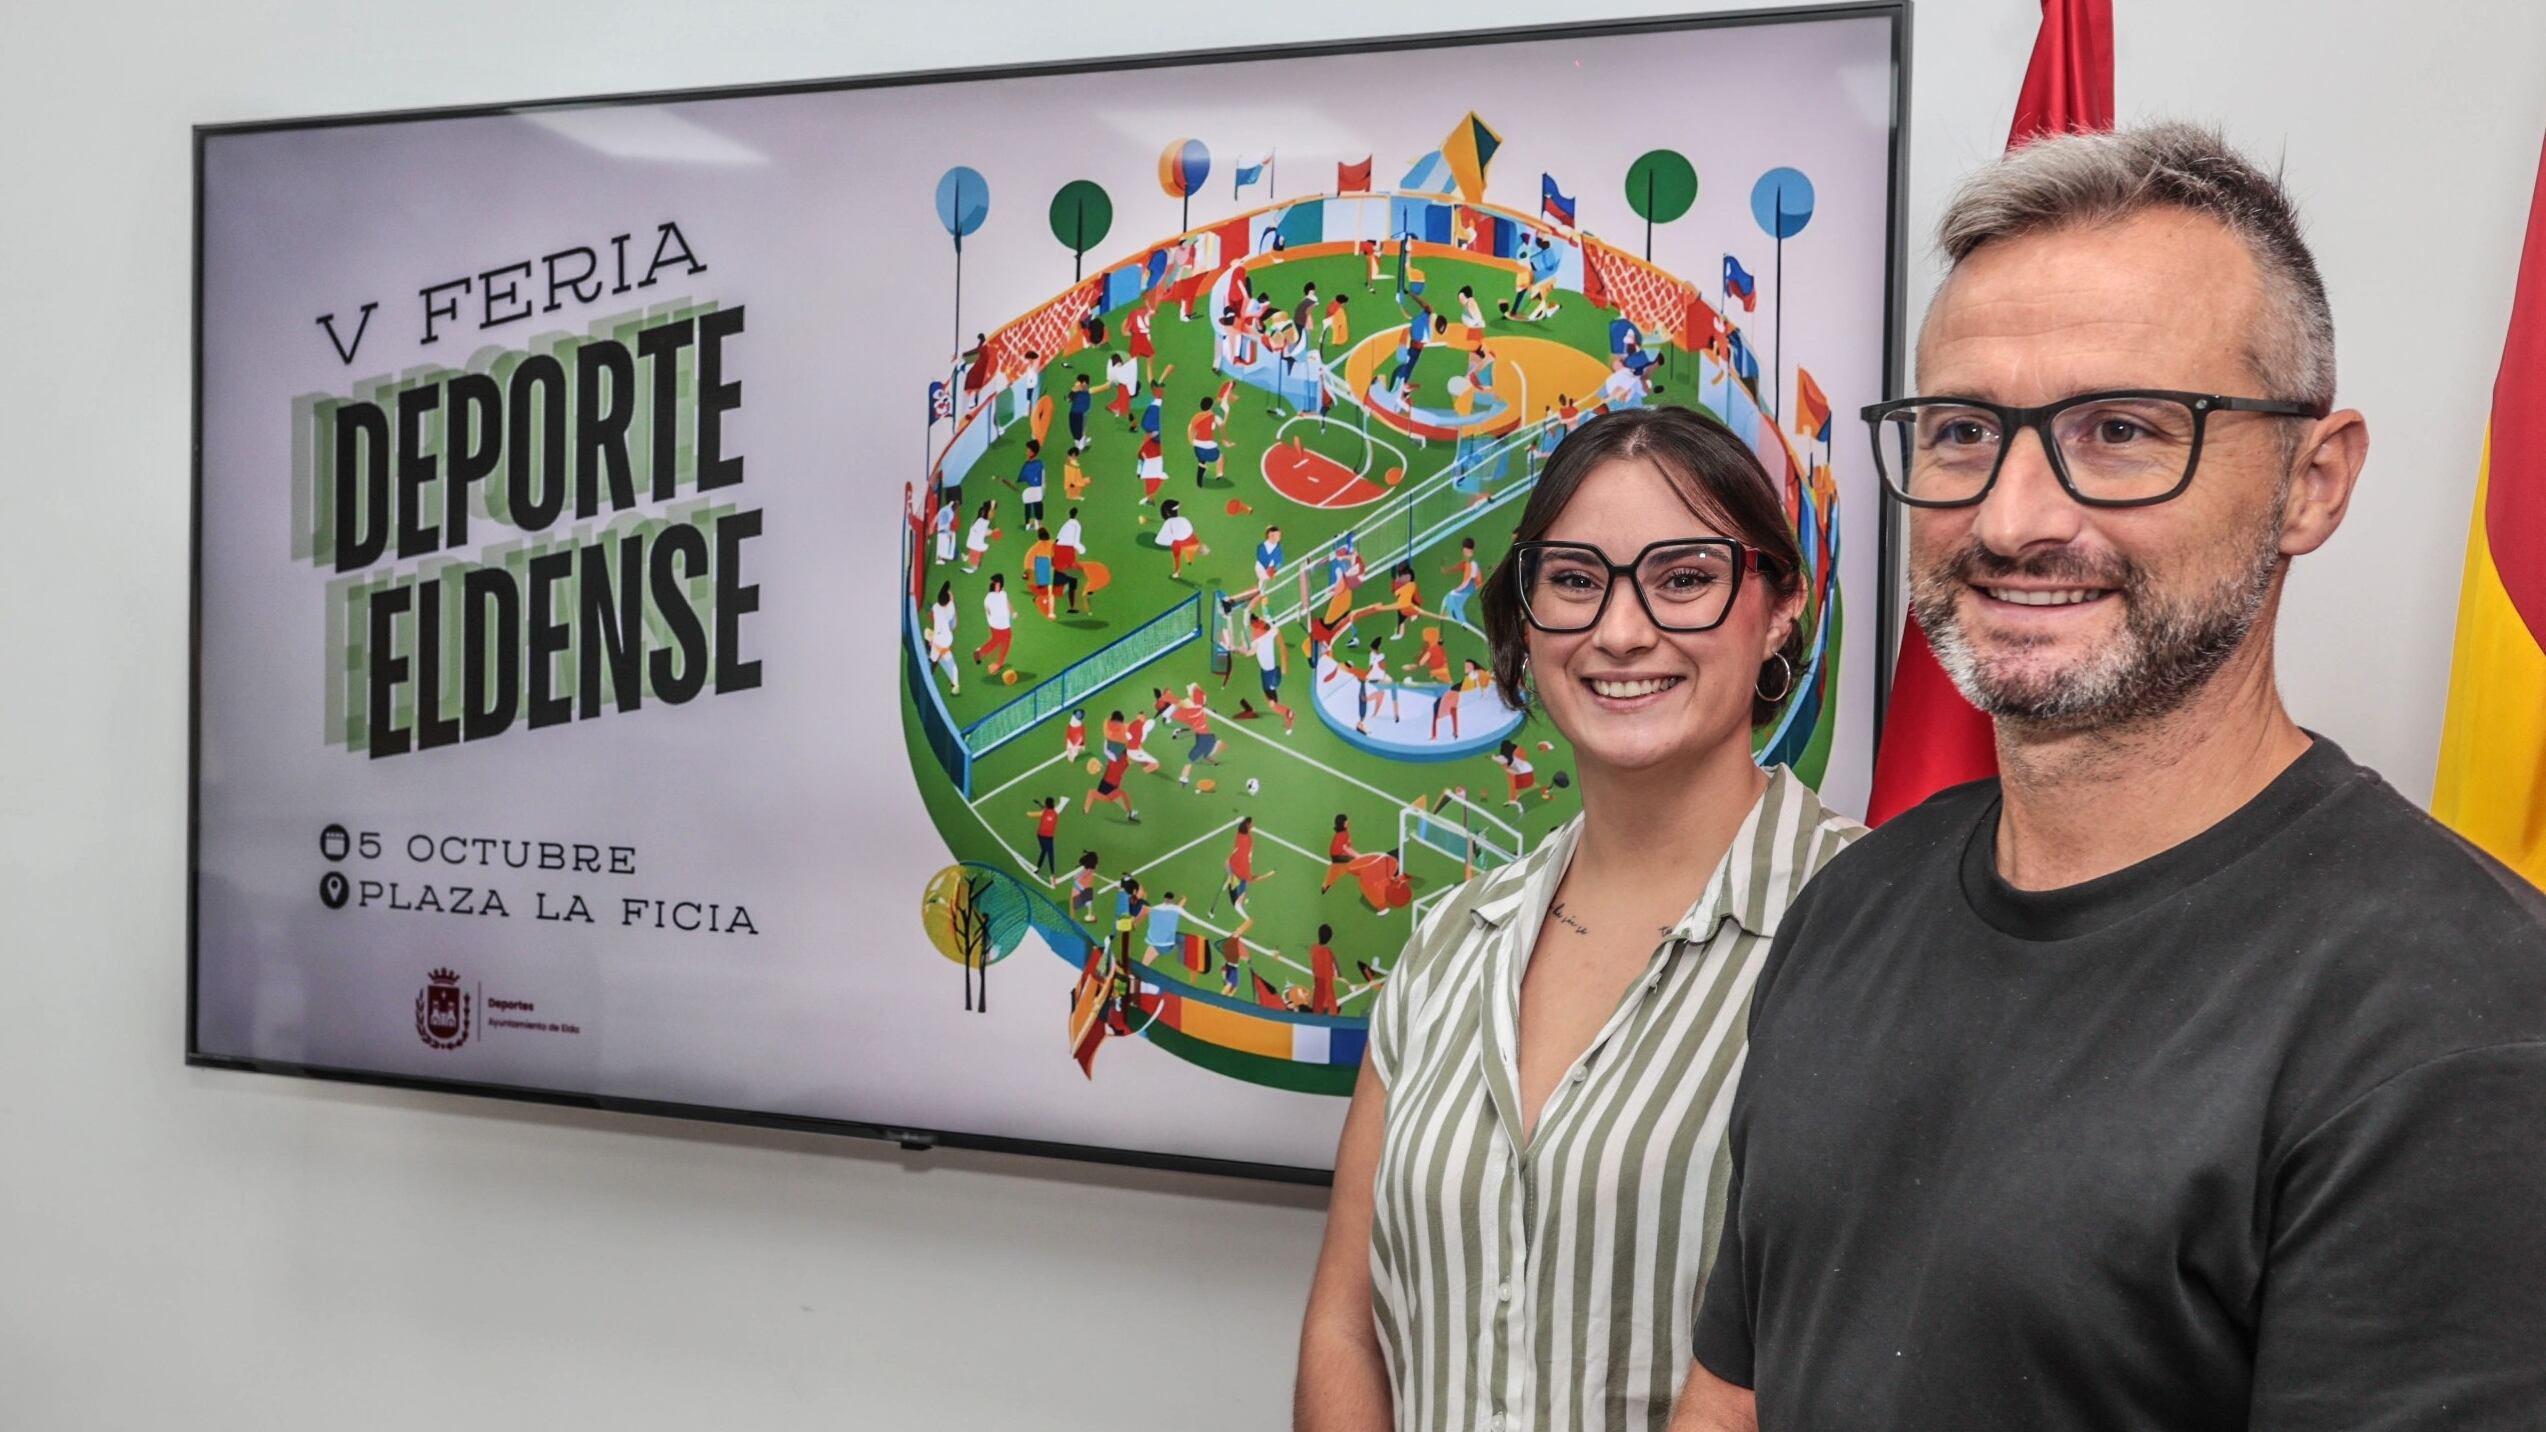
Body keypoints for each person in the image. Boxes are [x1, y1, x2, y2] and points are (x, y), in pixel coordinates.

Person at [1680, 124, 2546, 1432]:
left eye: (2122, 430)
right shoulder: (1850, 909)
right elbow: (1729, 1401)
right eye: (1963, 431)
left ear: (2312, 482)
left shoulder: (2456, 1014)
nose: (2016, 517)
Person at [1297, 404, 1854, 1432]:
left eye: (1683, 577)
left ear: (1778, 606)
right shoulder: (1450, 941)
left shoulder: (1873, 926)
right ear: (1526, 616)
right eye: (1573, 580)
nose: (1620, 629)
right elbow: (1343, 1324)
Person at [969, 572, 1012, 674]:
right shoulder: (1001, 595)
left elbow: (989, 611)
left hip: (993, 625)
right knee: (1006, 641)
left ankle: (980, 652)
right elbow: (1003, 607)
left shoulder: (988, 597)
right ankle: (999, 663)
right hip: (1002, 625)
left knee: (996, 640)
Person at [925, 582, 960, 696]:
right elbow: (954, 625)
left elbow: (931, 616)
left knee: (933, 658)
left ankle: (930, 668)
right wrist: (952, 599)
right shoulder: (951, 609)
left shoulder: (936, 606)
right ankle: (955, 685)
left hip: (937, 641)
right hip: (945, 640)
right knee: (951, 663)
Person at [1439, 537, 1481, 624]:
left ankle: (1461, 619)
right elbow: (1461, 566)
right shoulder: (1467, 561)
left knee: (1452, 596)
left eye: (1466, 551)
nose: (1465, 553)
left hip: (1471, 589)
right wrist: (1448, 570)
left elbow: (1475, 580)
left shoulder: (1473, 563)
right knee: (1447, 598)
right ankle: (1446, 616)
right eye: (1464, 551)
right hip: (1467, 587)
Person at [1318, 812, 1356, 892]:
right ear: (1343, 823)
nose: (1348, 822)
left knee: (1335, 869)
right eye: (1346, 821)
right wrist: (1357, 855)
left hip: (1335, 854)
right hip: (1338, 855)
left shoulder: (1343, 832)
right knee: (1354, 863)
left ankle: (1326, 885)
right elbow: (1346, 848)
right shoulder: (1343, 834)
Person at [1024, 796, 1060, 879]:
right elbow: (1045, 808)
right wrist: (1039, 804)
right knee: (1050, 854)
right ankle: (1053, 874)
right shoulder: (1055, 814)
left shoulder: (1044, 812)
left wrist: (1038, 804)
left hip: (1040, 836)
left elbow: (1034, 812)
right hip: (1049, 837)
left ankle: (1038, 869)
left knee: (1044, 851)